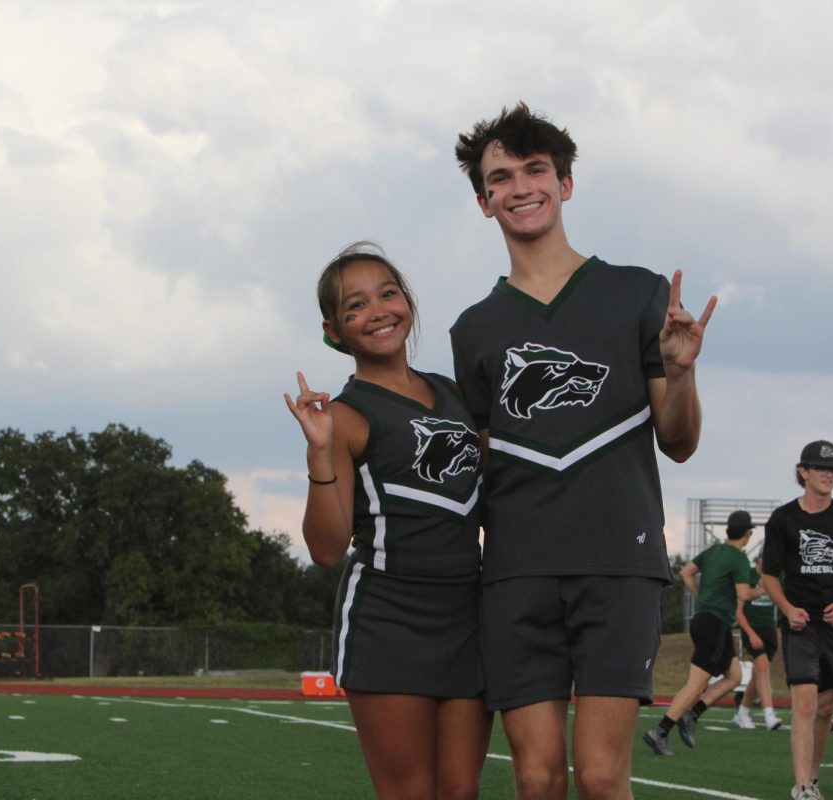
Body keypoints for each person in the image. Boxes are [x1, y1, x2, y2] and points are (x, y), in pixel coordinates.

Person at [450, 102, 716, 799]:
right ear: (484, 202)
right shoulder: (473, 329)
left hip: (616, 565)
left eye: (536, 169)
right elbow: (478, 464)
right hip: (516, 572)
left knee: (600, 776)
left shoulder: (638, 293)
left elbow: (678, 442)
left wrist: (681, 375)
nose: (521, 187)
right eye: (501, 177)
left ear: (565, 184)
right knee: (536, 779)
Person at [284, 242, 491, 800]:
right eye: (355, 306)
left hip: (467, 615)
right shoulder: (346, 417)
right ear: (335, 330)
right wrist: (319, 452)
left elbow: (495, 498)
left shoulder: (456, 396)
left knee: (461, 792)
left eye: (388, 294)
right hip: (390, 619)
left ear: (409, 303)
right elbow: (327, 550)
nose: (377, 312)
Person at [761, 441, 833, 800]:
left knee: (825, 708)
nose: (828, 475)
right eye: (821, 468)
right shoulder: (783, 519)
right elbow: (770, 575)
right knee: (804, 701)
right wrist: (788, 609)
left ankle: (814, 778)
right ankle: (802, 786)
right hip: (800, 625)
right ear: (803, 472)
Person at [642, 510, 763, 755]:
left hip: (704, 620)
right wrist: (761, 590)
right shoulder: (739, 558)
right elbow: (743, 594)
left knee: (735, 676)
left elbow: (686, 572)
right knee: (696, 684)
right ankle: (661, 730)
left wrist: (700, 595)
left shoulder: (713, 551)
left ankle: (693, 714)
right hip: (716, 623)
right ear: (748, 534)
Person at [734, 554, 784, 731]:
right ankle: (769, 714)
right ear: (759, 560)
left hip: (769, 630)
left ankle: (742, 712)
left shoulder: (777, 577)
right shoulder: (747, 576)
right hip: (752, 629)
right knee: (763, 667)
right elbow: (737, 611)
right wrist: (750, 633)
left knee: (758, 675)